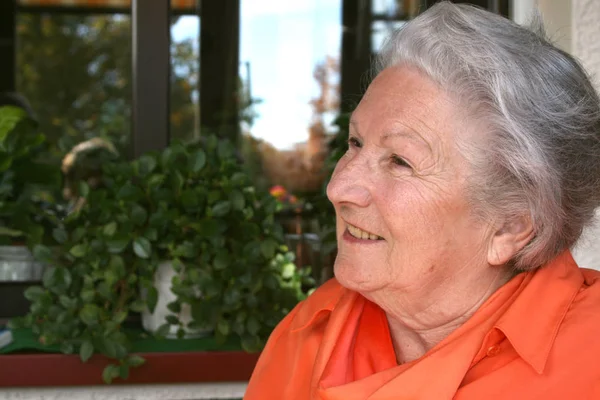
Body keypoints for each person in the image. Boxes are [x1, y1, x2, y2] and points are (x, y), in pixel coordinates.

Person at [244, 2, 600, 399]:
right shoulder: (308, 332)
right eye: (355, 142)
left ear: (510, 225)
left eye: (399, 161)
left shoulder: (590, 360)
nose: (338, 187)